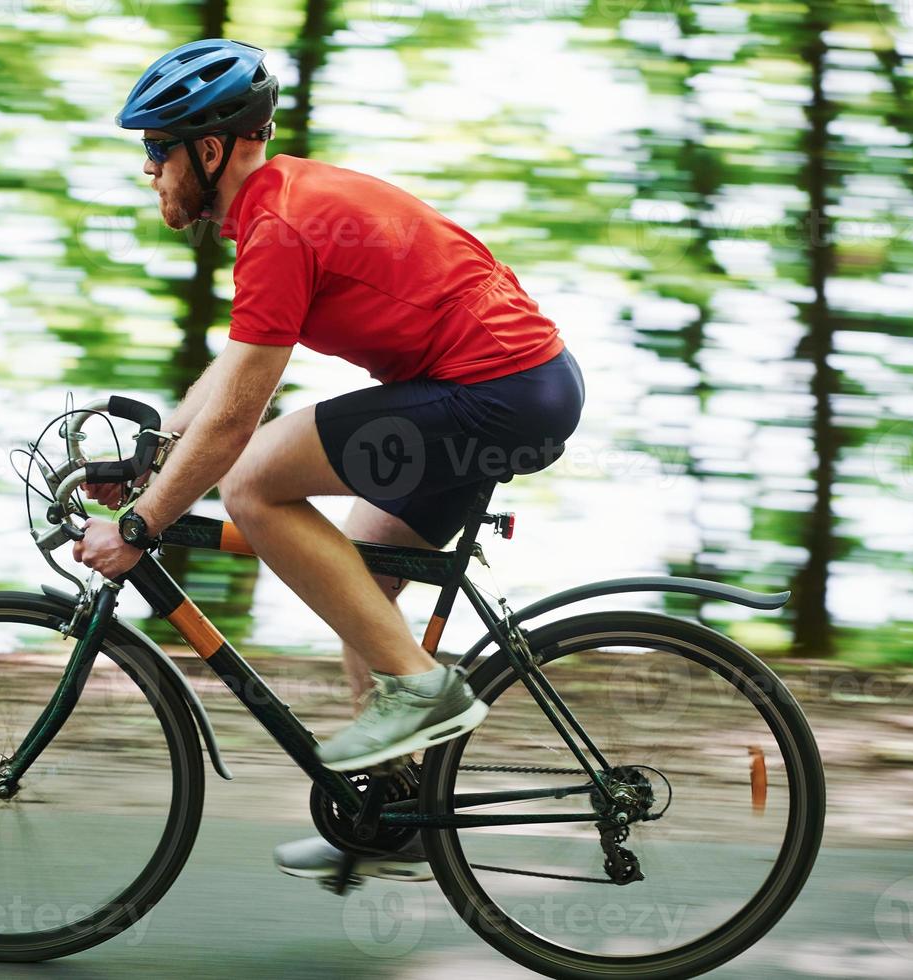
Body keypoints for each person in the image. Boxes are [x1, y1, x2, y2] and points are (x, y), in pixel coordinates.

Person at [74, 38, 586, 882]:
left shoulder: (277, 224)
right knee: (362, 578)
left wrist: (142, 521)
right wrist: (155, 450)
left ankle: (424, 693)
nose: (148, 171)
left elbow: (239, 424)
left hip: (499, 390)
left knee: (253, 486)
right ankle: (393, 813)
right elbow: (236, 373)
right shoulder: (279, 207)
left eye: (156, 150)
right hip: (513, 386)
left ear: (209, 150)